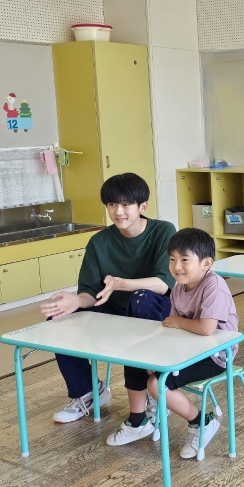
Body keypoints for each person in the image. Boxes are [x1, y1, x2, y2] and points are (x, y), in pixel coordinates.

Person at [41, 173, 176, 428]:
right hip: (113, 309)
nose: (118, 211)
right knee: (60, 320)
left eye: (125, 204)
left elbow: (162, 284)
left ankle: (157, 388)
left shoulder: (163, 231)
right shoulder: (99, 241)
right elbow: (90, 293)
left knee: (142, 299)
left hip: (152, 309)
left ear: (142, 206)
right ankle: (89, 392)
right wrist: (75, 301)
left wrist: (120, 284)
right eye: (112, 204)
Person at [110, 227, 237, 457]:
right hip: (188, 349)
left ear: (206, 263)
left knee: (156, 384)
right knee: (136, 357)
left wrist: (178, 322)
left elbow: (206, 328)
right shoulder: (178, 288)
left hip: (216, 355)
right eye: (172, 259)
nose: (177, 266)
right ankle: (138, 421)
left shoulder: (214, 285)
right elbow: (172, 328)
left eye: (185, 259)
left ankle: (202, 422)